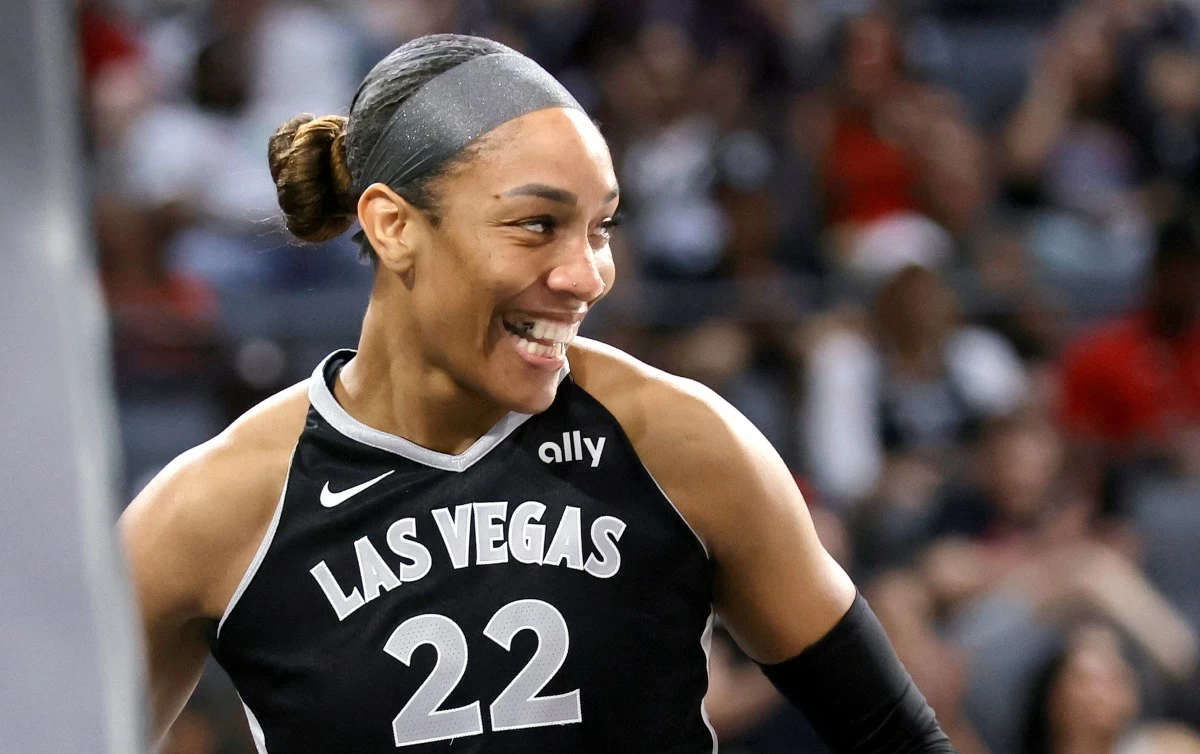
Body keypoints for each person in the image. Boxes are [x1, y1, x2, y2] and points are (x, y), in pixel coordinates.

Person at [120, 34, 956, 753]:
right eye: (536, 225)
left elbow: (896, 739)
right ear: (394, 225)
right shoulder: (214, 509)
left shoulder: (681, 442)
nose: (585, 275)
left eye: (602, 227)